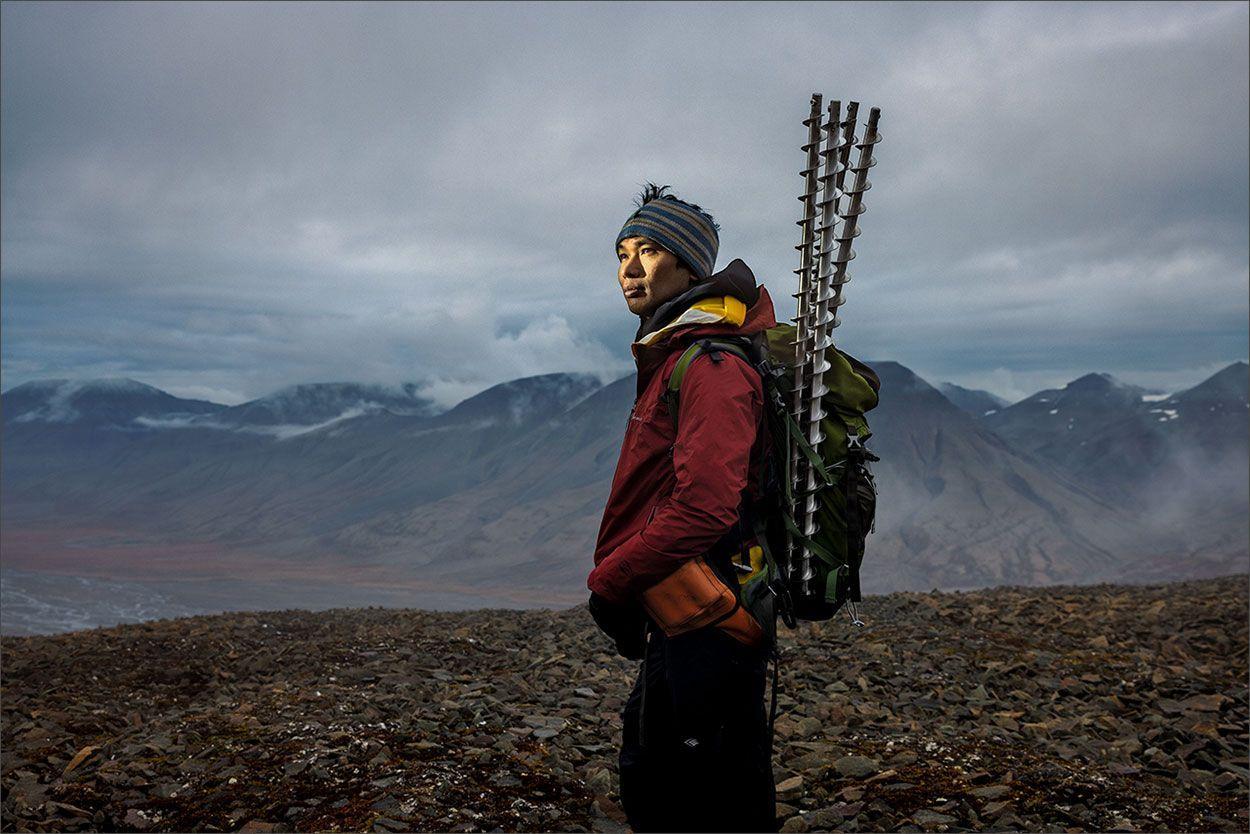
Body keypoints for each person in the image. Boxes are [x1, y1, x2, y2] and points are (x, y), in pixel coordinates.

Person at [587, 183, 780, 833]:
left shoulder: (712, 365)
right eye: (622, 252)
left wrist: (611, 583)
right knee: (659, 776)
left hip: (710, 617)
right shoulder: (678, 352)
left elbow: (703, 508)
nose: (630, 269)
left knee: (699, 793)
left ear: (691, 267)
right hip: (681, 612)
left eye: (650, 251)